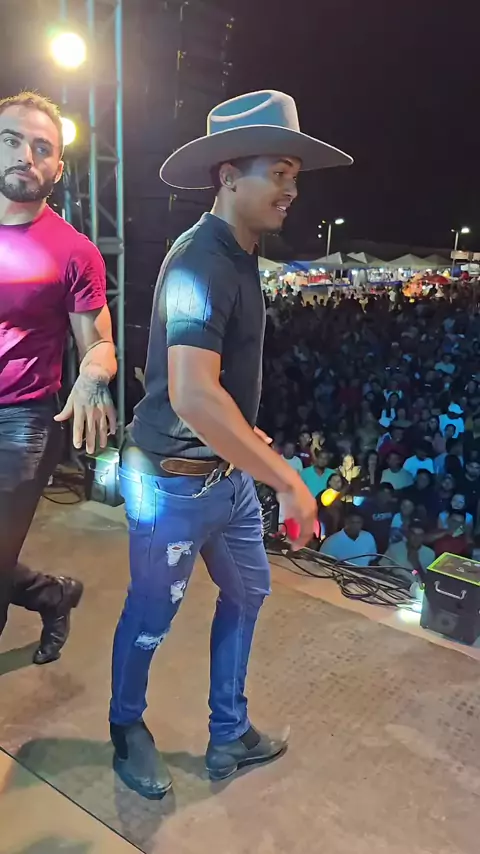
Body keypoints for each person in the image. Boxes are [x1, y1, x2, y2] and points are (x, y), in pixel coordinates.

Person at [109, 89, 351, 798]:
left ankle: (229, 731)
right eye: (278, 172)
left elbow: (209, 388)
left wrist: (242, 439)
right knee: (151, 617)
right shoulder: (200, 261)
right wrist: (288, 479)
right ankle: (126, 726)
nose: (292, 189)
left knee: (248, 590)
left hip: (225, 478)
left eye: (293, 175)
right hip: (172, 484)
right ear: (227, 176)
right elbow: (191, 394)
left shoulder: (242, 254)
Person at [0, 92, 117, 664]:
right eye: (11, 141)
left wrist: (95, 371)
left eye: (41, 148)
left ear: (58, 169)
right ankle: (54, 595)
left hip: (21, 421)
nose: (26, 156)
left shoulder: (74, 251)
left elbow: (99, 343)